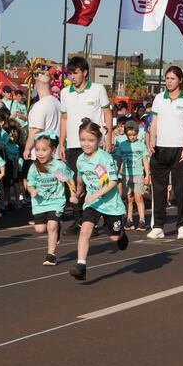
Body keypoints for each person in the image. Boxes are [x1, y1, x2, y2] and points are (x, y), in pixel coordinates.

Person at [70, 119, 129, 281]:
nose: (86, 144)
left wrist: (96, 194)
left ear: (98, 140)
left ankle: (121, 233)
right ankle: (81, 265)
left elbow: (113, 182)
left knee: (114, 238)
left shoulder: (105, 158)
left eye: (91, 140)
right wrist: (78, 193)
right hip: (92, 203)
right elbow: (81, 179)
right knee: (85, 231)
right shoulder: (80, 159)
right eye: (83, 140)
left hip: (110, 204)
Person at [59, 56, 113, 233]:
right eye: (70, 74)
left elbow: (107, 114)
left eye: (75, 73)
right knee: (75, 183)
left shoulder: (98, 89)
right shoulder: (65, 92)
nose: (72, 77)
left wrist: (109, 138)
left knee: (99, 181)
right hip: (74, 145)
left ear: (84, 72)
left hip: (95, 145)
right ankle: (78, 220)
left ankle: (107, 218)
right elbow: (64, 118)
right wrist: (61, 143)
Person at [146, 66, 183, 240]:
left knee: (180, 189)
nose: (169, 81)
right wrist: (152, 139)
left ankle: (182, 225)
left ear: (180, 80)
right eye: (167, 78)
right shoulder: (159, 98)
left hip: (179, 148)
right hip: (160, 148)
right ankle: (158, 226)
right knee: (158, 189)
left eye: (172, 78)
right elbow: (154, 122)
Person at [27, 131, 75, 266]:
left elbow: (69, 180)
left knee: (51, 226)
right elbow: (30, 184)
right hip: (40, 202)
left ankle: (51, 255)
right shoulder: (34, 167)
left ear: (52, 151)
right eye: (37, 150)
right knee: (40, 229)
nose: (40, 153)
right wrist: (32, 191)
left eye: (44, 150)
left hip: (56, 200)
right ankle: (57, 227)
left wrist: (73, 194)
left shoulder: (58, 166)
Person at [116, 120, 150, 231]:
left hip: (138, 174)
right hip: (126, 175)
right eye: (130, 135)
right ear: (126, 134)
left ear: (137, 133)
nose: (132, 137)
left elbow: (145, 160)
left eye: (134, 135)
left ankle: (142, 220)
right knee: (129, 198)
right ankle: (129, 219)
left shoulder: (140, 145)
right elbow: (119, 160)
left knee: (138, 197)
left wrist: (147, 175)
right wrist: (116, 172)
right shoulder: (122, 145)